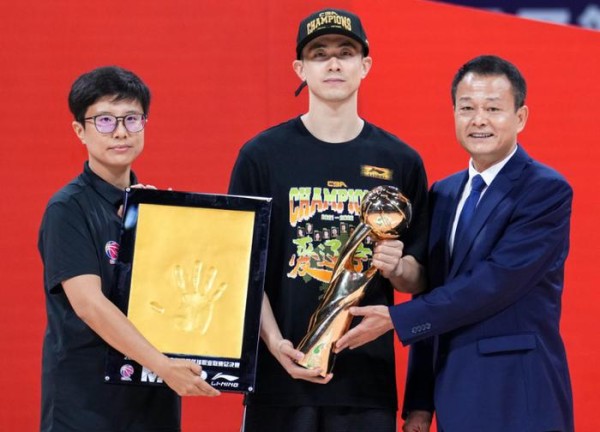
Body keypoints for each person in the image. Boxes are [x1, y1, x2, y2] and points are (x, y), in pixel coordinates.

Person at [336, 55, 574, 432]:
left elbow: (494, 283)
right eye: (467, 108)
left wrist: (397, 319)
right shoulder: (443, 193)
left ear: (521, 117)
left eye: (493, 108)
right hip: (453, 397)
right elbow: (431, 291)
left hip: (519, 396)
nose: (478, 120)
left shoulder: (545, 191)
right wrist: (419, 403)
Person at [228, 8, 429, 432]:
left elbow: (419, 278)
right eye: (319, 54)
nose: (333, 63)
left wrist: (397, 267)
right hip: (279, 378)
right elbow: (241, 268)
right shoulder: (261, 156)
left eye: (345, 52)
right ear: (300, 69)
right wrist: (273, 342)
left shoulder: (401, 161)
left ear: (365, 65)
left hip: (365, 383)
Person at [38, 66, 219, 432]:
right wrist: (163, 365)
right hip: (87, 406)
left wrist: (163, 232)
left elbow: (184, 294)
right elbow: (89, 305)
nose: (120, 131)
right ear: (80, 131)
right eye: (105, 120)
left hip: (152, 401)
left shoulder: (153, 210)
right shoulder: (68, 208)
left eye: (132, 119)